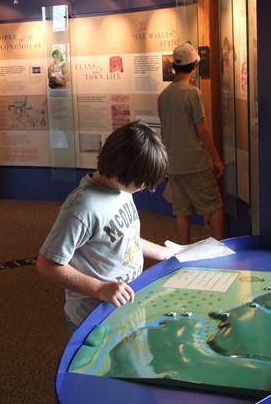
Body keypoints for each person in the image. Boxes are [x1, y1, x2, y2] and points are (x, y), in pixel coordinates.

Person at [37, 120, 174, 331]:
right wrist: (100, 288)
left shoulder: (121, 190)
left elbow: (125, 236)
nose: (146, 187)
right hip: (94, 316)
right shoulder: (81, 208)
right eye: (143, 181)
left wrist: (163, 252)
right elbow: (48, 264)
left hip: (123, 304)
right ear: (125, 171)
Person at [157, 42, 225, 245]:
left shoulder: (164, 96)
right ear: (194, 65)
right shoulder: (193, 93)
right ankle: (222, 251)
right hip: (195, 163)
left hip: (174, 164)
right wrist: (217, 160)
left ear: (174, 67)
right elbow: (202, 132)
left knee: (182, 211)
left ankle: (183, 252)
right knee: (214, 206)